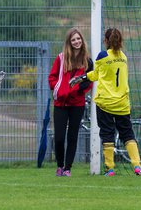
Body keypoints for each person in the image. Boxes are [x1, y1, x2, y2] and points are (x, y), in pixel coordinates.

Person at [69, 28, 141, 176]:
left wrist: (81, 77)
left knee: (107, 134)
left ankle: (110, 168)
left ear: (105, 41)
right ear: (120, 41)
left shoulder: (102, 56)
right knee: (128, 134)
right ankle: (137, 166)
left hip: (105, 102)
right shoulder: (124, 57)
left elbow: (96, 75)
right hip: (122, 103)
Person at [48, 28, 93, 177]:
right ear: (69, 42)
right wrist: (59, 91)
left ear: (82, 40)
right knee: (59, 137)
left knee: (73, 136)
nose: (76, 42)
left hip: (77, 104)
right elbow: (52, 78)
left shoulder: (87, 61)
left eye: (78, 39)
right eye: (73, 40)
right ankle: (59, 166)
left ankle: (67, 168)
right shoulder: (60, 59)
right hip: (60, 103)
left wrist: (76, 91)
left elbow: (88, 81)